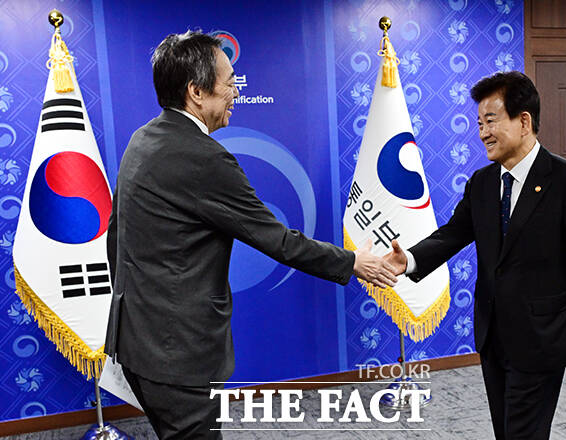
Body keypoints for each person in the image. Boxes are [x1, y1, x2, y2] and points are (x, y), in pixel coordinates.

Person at [104, 30, 397, 440]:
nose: (236, 92)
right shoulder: (204, 158)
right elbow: (279, 240)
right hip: (177, 354)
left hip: (137, 342)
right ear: (196, 92)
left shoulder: (144, 138)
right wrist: (354, 262)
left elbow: (115, 237)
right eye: (229, 82)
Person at [384, 71, 566, 439]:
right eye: (480, 124)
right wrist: (410, 260)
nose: (483, 132)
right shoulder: (482, 182)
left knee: (523, 433)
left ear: (524, 121)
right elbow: (453, 233)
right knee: (506, 430)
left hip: (540, 337)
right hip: (493, 335)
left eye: (491, 120)